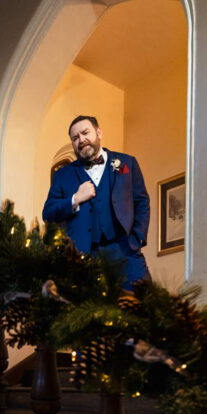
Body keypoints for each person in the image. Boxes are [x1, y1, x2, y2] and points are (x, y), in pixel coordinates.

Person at [42, 115, 151, 290]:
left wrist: (137, 238)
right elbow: (48, 213)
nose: (81, 140)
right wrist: (75, 199)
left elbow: (141, 202)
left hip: (126, 252)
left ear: (98, 133)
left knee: (143, 306)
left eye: (85, 133)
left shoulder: (124, 163)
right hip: (84, 258)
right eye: (75, 138)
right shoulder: (63, 175)